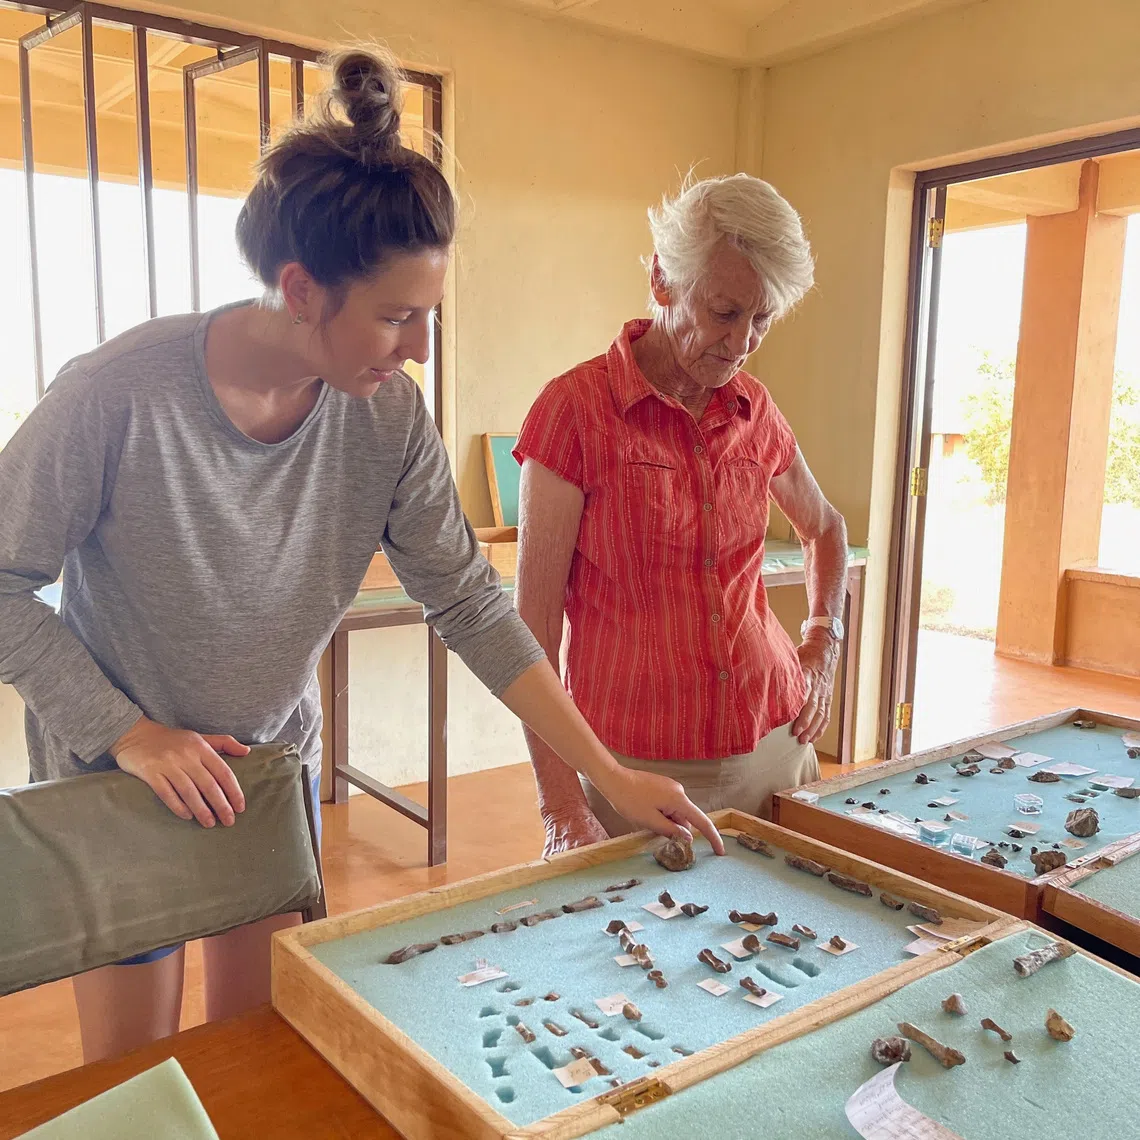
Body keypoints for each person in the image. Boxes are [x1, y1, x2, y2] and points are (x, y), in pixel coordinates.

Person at [0, 46, 722, 1064]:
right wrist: (131, 731)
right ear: (300, 289)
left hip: (264, 771)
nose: (419, 347)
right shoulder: (117, 394)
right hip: (121, 775)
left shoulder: (386, 419)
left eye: (427, 313)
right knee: (138, 1074)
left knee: (255, 1052)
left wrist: (602, 772)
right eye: (395, 316)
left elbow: (470, 602)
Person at [514, 173, 849, 857]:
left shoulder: (756, 409)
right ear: (664, 279)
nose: (744, 341)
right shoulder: (574, 412)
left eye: (764, 319)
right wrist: (561, 804)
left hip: (778, 744)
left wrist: (823, 645)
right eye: (725, 312)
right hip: (634, 772)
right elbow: (534, 629)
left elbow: (826, 528)